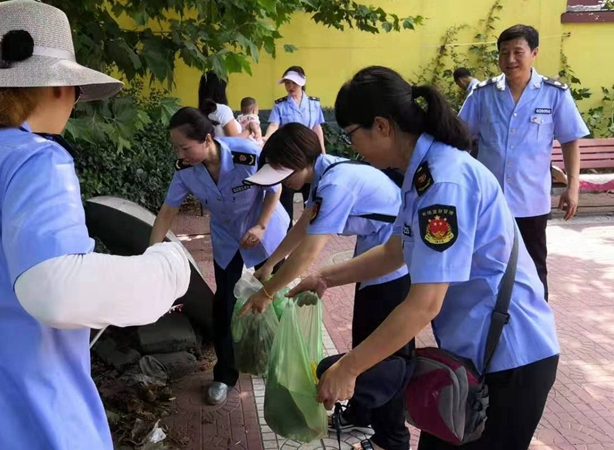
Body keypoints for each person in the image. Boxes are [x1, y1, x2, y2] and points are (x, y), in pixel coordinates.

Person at [0, 2, 191, 449]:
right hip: (24, 421)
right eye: (76, 90)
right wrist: (169, 266)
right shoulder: (35, 159)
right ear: (59, 86)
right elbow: (57, 288)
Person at [290, 66, 559, 450]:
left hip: (511, 359)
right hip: (474, 353)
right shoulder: (422, 176)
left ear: (382, 126)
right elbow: (396, 250)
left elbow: (423, 306)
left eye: (353, 135)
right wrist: (327, 277)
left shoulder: (443, 183)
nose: (354, 148)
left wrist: (348, 368)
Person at [238, 123, 413, 450]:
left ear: (295, 162)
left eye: (280, 173)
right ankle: (360, 416)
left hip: (393, 269)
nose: (281, 184)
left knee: (383, 358)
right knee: (365, 345)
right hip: (374, 262)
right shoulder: (326, 175)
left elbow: (308, 254)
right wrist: (270, 265)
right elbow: (303, 227)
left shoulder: (336, 182)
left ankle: (392, 439)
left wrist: (267, 293)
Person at [149, 107, 289, 406]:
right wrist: (150, 253)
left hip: (266, 231)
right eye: (176, 148)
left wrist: (261, 225)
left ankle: (280, 359)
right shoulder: (186, 171)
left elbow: (274, 188)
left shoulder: (246, 153)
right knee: (223, 304)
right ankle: (225, 375)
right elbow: (167, 212)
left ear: (208, 139)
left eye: (185, 147)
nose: (181, 153)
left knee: (277, 295)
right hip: (228, 238)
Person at [458, 24, 589, 302]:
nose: (510, 59)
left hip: (531, 202)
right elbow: (460, 140)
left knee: (534, 268)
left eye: (518, 52)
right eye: (504, 53)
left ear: (534, 53)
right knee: (486, 266)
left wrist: (572, 186)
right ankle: (490, 329)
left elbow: (570, 140)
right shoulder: (483, 94)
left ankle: (537, 333)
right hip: (488, 203)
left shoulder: (554, 94)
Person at [264, 66, 326, 230]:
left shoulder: (313, 104)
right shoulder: (280, 105)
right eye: (287, 83)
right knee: (286, 195)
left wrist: (322, 152)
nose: (290, 87)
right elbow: (274, 125)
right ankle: (286, 229)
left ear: (302, 83)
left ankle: (311, 229)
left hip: (309, 154)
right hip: (289, 155)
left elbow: (317, 128)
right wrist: (265, 138)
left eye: (293, 83)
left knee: (311, 194)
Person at [198, 71, 259, 139]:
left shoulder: (200, 112)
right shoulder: (223, 110)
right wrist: (248, 129)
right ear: (220, 90)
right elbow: (236, 140)